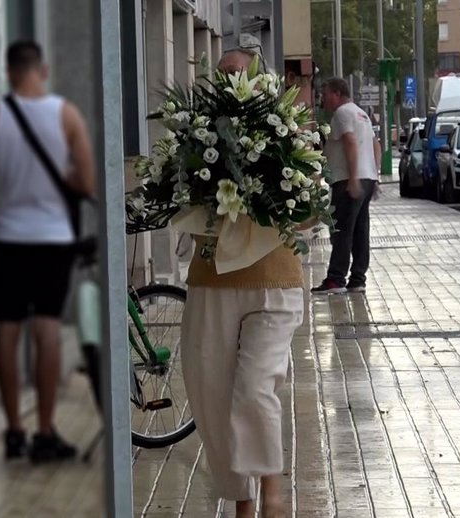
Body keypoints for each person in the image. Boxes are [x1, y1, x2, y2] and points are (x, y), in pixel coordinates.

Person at [180, 48, 304, 518]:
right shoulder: (195, 137)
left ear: (261, 79)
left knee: (255, 388)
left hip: (275, 282)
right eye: (225, 75)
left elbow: (311, 209)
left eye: (241, 74)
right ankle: (241, 500)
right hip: (212, 281)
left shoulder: (289, 131)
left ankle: (272, 490)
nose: (233, 82)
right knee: (211, 395)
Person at [0, 41, 95, 463]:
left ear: (8, 72)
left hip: (7, 238)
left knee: (8, 332)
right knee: (47, 330)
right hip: (53, 240)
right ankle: (44, 432)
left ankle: (12, 430)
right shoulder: (67, 115)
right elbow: (89, 184)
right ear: (42, 69)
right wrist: (66, 174)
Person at [311, 77, 380, 294]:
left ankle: (336, 279)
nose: (324, 99)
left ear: (336, 93)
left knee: (341, 230)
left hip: (349, 180)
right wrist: (374, 175)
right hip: (366, 178)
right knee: (360, 230)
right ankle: (358, 278)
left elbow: (350, 141)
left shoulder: (342, 114)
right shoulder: (362, 114)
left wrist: (352, 178)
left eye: (326, 93)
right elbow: (375, 144)